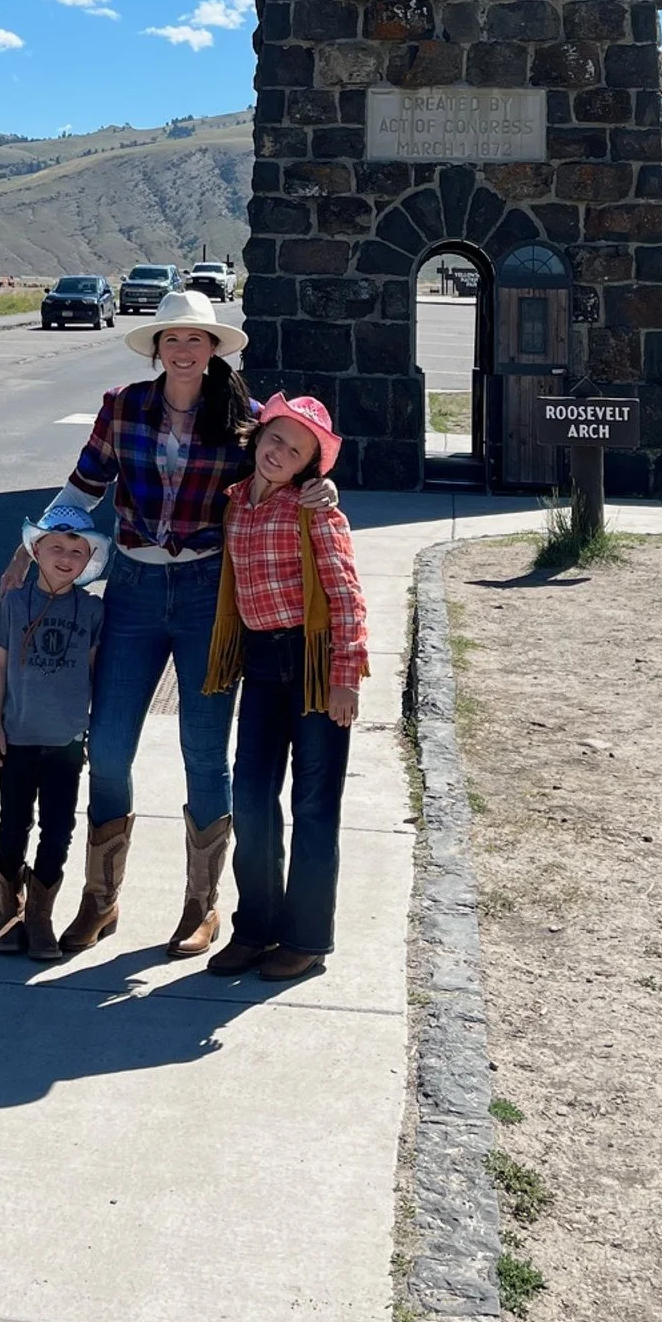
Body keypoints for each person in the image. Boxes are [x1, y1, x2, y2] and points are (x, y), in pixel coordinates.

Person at [4, 287, 336, 961]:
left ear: (214, 349)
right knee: (113, 743)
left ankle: (200, 906)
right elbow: (84, 486)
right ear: (157, 348)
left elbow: (283, 466)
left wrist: (321, 488)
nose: (184, 350)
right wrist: (35, 537)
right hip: (131, 586)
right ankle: (102, 898)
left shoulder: (242, 417)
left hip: (209, 594)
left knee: (203, 748)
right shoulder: (123, 407)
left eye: (197, 339)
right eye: (173, 339)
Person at [204, 392, 368, 984]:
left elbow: (346, 595)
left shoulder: (315, 510)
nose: (280, 453)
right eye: (275, 438)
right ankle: (256, 927)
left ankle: (305, 940)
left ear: (310, 466)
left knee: (314, 807)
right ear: (258, 435)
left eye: (297, 451)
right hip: (262, 665)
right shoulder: (235, 504)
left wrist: (346, 679)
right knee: (250, 800)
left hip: (315, 663)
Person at [0, 504, 107, 962]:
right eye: (56, 547)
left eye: (77, 551)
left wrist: (92, 728)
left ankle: (40, 915)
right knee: (13, 825)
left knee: (58, 828)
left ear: (88, 559)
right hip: (17, 737)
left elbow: (95, 673)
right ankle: (8, 910)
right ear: (36, 551)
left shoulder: (92, 610)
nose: (66, 558)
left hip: (67, 743)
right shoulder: (14, 604)